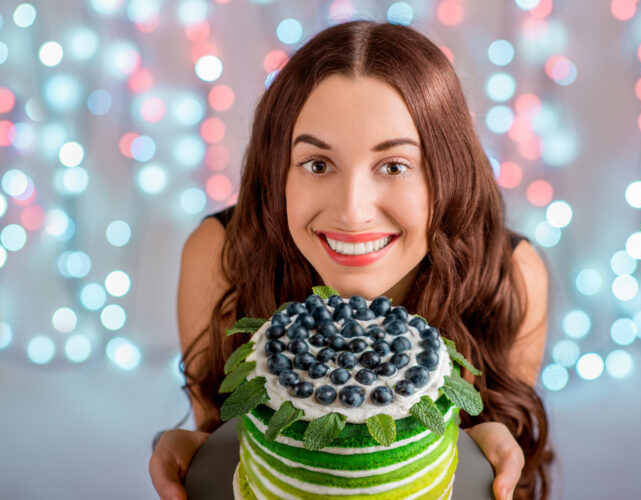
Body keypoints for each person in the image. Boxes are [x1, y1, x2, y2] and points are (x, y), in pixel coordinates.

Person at [149, 19, 554, 500]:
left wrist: (471, 459)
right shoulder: (221, 255)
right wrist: (192, 452)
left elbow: (508, 480)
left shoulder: (508, 276)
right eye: (318, 165)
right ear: (277, 169)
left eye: (394, 166)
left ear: (448, 171)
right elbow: (236, 447)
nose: (352, 212)